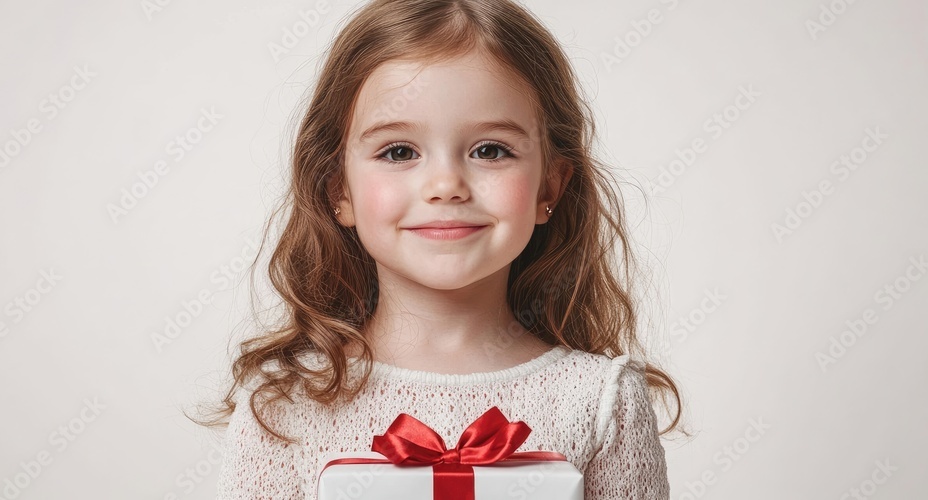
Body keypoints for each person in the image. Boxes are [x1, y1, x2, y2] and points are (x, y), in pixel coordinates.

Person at [201, 0, 685, 498]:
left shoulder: (603, 402)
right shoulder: (284, 408)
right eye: (399, 151)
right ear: (337, 191)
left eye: (490, 150)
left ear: (549, 188)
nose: (446, 185)